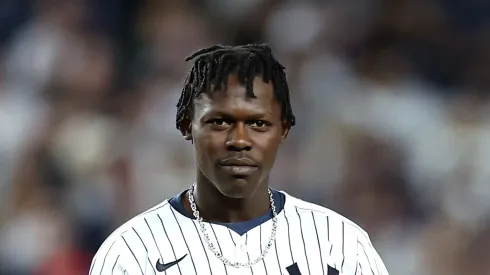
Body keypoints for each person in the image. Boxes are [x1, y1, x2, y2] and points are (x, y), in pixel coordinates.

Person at [89, 44, 389, 275]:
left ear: (284, 130)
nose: (240, 141)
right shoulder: (131, 249)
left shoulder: (338, 242)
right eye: (219, 122)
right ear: (186, 126)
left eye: (259, 124)